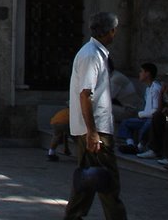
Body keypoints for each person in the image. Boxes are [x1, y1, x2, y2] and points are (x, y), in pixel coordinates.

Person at [64, 11, 127, 220]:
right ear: (109, 31)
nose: (114, 34)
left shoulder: (95, 53)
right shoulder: (91, 55)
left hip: (93, 128)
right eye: (114, 30)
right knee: (108, 181)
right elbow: (85, 94)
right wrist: (92, 132)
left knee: (88, 180)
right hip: (95, 129)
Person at [118, 63, 161, 155]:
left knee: (147, 125)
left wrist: (141, 114)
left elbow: (156, 110)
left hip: (152, 119)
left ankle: (140, 147)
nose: (139, 74)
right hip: (144, 118)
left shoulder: (156, 88)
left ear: (147, 73)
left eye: (141, 71)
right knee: (126, 123)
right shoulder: (147, 89)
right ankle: (131, 145)